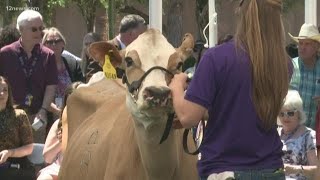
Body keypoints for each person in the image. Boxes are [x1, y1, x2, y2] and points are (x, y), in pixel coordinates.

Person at [169, 0, 290, 179]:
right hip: (272, 169)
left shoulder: (215, 58)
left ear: (241, 13)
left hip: (224, 170)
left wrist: (176, 86)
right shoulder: (284, 63)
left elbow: (187, 117)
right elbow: (250, 108)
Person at [0, 10, 58, 143]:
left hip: (36, 116)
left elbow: (51, 86)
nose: (39, 33)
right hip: (9, 116)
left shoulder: (48, 55)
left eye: (41, 28)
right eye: (34, 29)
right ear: (21, 29)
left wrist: (43, 110)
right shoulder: (5, 54)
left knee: (36, 157)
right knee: (8, 156)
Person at [37, 81, 82, 180]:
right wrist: (62, 139)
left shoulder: (93, 123)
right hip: (59, 168)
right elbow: (47, 158)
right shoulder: (59, 124)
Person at [42, 27, 83, 123]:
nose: (53, 44)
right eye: (49, 42)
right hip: (50, 116)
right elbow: (39, 95)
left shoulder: (72, 63)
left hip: (73, 112)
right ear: (44, 45)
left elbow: (81, 86)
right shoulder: (40, 67)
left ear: (63, 43)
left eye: (57, 41)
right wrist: (58, 111)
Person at [0, 76, 35, 180]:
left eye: (5, 90)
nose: (2, 93)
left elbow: (29, 148)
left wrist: (10, 152)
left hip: (16, 165)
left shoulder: (19, 115)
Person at [277, 90, 318, 179]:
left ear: (298, 114)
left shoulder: (309, 136)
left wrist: (293, 169)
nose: (285, 117)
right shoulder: (274, 134)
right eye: (282, 113)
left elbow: (317, 172)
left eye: (290, 113)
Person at [289, 23, 320, 130]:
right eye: (300, 43)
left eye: (307, 44)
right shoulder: (290, 66)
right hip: (291, 135)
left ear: (317, 47)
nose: (302, 47)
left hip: (317, 135)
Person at [108, 14, 147, 78]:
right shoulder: (105, 49)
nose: (143, 38)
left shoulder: (142, 52)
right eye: (141, 34)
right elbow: (93, 80)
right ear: (131, 34)